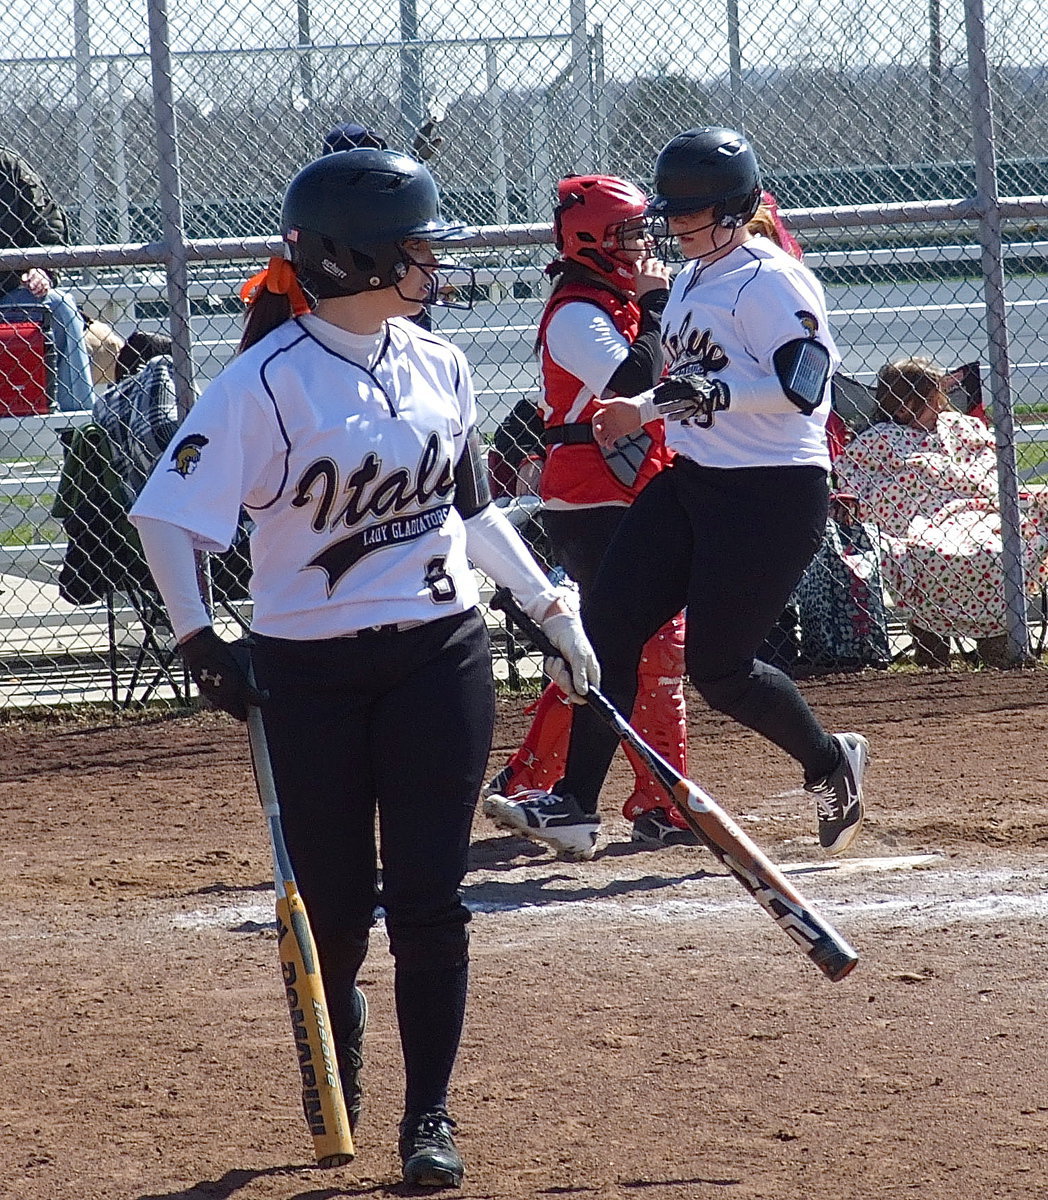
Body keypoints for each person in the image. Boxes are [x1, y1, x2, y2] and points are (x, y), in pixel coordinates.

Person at [127, 149, 599, 1188]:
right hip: (310, 673)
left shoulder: (440, 362)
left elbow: (469, 511)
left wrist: (545, 601)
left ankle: (427, 1115)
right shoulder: (265, 382)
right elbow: (166, 515)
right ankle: (335, 1047)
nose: (434, 263)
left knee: (431, 900)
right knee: (336, 909)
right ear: (355, 258)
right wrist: (199, 638)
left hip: (441, 653)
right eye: (417, 246)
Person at [482, 127, 868, 862]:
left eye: (694, 212)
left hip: (772, 493)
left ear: (735, 208)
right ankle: (573, 805)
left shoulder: (771, 277)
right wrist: (654, 403)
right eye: (674, 212)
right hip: (692, 482)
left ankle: (829, 761)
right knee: (607, 633)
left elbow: (801, 387)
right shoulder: (688, 278)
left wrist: (685, 395)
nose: (675, 226)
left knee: (721, 670)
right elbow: (675, 384)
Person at [483, 173, 697, 849]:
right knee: (651, 645)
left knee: (613, 646)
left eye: (642, 232)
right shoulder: (578, 311)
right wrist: (658, 303)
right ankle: (660, 802)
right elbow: (634, 380)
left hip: (635, 489)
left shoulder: (619, 300)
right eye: (628, 234)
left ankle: (531, 785)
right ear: (589, 242)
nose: (642, 246)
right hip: (592, 498)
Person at [833, 354, 1048, 667]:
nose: (939, 406)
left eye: (939, 399)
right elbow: (859, 482)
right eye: (930, 400)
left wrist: (950, 471)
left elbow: (990, 465)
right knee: (924, 550)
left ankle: (997, 646)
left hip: (977, 509)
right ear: (902, 406)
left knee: (996, 546)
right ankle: (933, 649)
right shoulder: (877, 439)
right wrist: (919, 468)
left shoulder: (962, 428)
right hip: (913, 515)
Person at [0, 146, 94, 411]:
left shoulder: (8, 166)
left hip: (6, 299)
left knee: (60, 305)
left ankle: (80, 430)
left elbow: (47, 223)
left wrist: (40, 269)